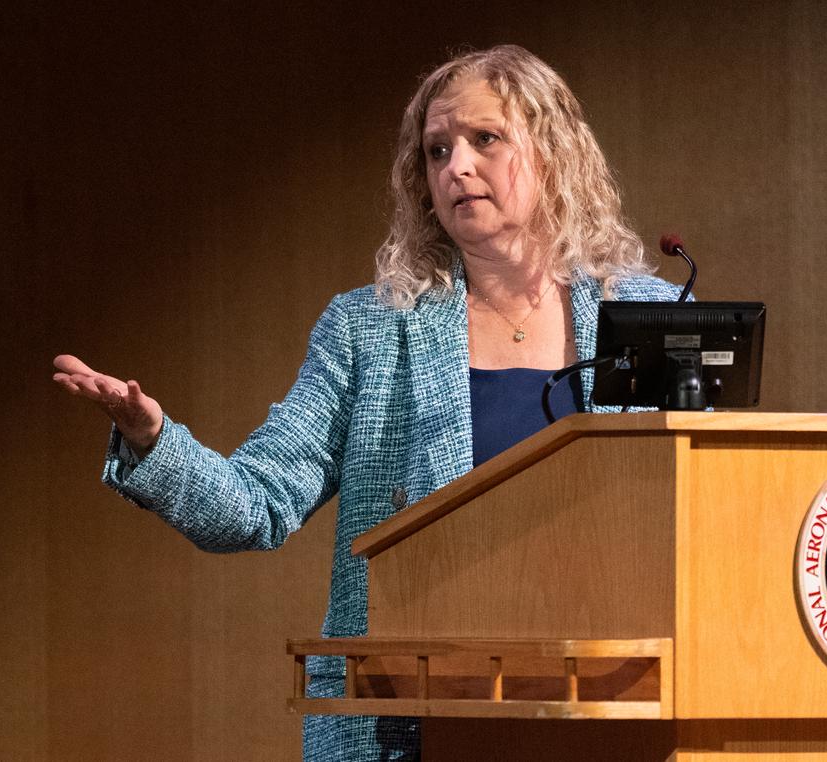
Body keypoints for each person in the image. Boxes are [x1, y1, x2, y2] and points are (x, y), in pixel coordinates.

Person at [52, 44, 682, 761]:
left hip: (610, 715)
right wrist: (152, 439)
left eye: (485, 139)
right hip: (409, 723)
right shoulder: (370, 329)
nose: (458, 167)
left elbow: (701, 522)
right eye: (438, 151)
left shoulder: (649, 316)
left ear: (555, 151)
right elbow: (256, 503)